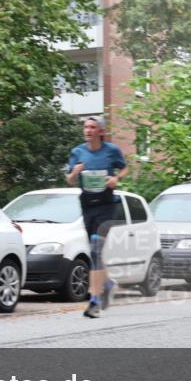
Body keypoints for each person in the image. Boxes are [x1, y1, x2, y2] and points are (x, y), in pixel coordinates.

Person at [65, 116, 128, 318]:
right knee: (96, 253)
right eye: (86, 127)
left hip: (106, 205)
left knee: (95, 248)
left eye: (93, 127)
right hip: (87, 205)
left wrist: (116, 178)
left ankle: (94, 301)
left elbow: (125, 167)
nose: (88, 130)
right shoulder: (77, 152)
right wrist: (74, 173)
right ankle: (108, 283)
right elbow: (69, 180)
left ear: (101, 131)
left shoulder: (111, 151)